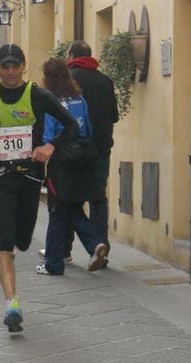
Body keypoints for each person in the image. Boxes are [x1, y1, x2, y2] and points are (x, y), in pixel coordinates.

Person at [0, 43, 78, 333]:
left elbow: (71, 125)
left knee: (23, 240)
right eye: (4, 66)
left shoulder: (37, 95)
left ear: (23, 66)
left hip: (31, 177)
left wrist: (50, 146)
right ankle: (12, 303)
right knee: (5, 239)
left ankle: (14, 280)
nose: (10, 71)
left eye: (15, 65)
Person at [36, 58, 109, 275]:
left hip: (62, 160)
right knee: (72, 207)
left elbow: (49, 134)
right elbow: (88, 127)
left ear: (47, 78)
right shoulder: (79, 99)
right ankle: (92, 245)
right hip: (83, 157)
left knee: (58, 209)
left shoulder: (51, 102)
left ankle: (55, 263)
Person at [61, 40, 119, 265]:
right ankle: (101, 245)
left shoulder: (68, 78)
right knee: (98, 197)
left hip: (74, 150)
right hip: (101, 149)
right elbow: (114, 115)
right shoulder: (105, 80)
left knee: (68, 198)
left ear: (71, 55)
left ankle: (64, 250)